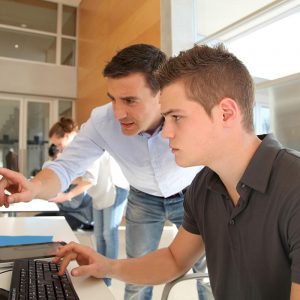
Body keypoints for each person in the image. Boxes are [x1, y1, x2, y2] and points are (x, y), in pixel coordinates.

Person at [51, 44, 300, 300]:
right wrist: (108, 266)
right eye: (165, 118)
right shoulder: (205, 185)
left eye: (176, 117)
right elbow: (173, 259)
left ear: (226, 113)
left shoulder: (294, 188)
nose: (167, 132)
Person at [0, 44, 203, 300]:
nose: (118, 113)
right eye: (112, 99)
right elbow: (65, 166)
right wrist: (35, 188)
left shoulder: (187, 114)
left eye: (130, 100)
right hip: (143, 198)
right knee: (136, 276)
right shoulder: (102, 121)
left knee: (206, 273)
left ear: (161, 93)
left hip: (192, 194)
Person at [44, 118, 98, 230]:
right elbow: (74, 177)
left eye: (58, 144)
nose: (57, 148)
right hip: (70, 208)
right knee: (37, 222)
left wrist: (66, 196)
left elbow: (89, 180)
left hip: (81, 212)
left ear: (67, 136)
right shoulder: (70, 152)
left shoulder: (84, 147)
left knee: (47, 226)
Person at [89, 151, 129, 287]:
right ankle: (101, 271)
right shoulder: (83, 147)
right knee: (99, 234)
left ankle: (108, 276)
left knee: (109, 233)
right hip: (99, 190)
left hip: (114, 187)